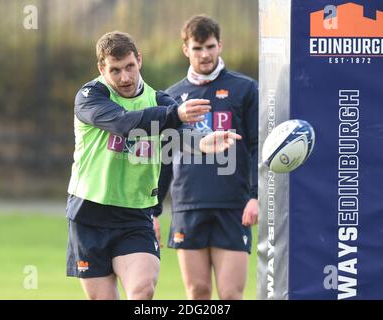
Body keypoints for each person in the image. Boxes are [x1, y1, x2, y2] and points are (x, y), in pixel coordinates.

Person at [65, 31, 240, 300]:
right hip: (90, 213)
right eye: (115, 70)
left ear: (140, 60)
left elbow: (179, 134)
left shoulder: (159, 102)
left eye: (129, 67)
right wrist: (176, 114)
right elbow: (123, 122)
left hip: (135, 215)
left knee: (142, 291)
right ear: (102, 68)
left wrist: (203, 142)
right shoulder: (90, 96)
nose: (124, 77)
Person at [154, 15, 258, 300]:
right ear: (185, 49)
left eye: (210, 47)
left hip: (233, 206)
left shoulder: (244, 89)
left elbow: (257, 146)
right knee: (198, 292)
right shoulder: (171, 98)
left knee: (230, 294)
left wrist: (255, 195)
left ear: (220, 45)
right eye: (197, 48)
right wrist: (154, 211)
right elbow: (165, 156)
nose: (205, 54)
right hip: (188, 205)